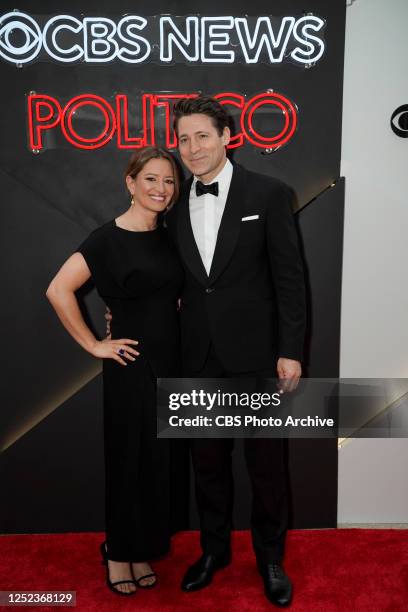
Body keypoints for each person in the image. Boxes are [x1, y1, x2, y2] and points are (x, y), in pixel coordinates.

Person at [166, 96, 306, 607]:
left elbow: (290, 279)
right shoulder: (174, 202)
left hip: (257, 356)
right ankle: (214, 550)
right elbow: (170, 279)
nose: (191, 148)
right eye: (182, 139)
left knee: (267, 466)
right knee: (207, 465)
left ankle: (270, 558)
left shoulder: (269, 193)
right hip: (196, 356)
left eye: (202, 135)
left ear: (228, 135)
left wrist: (290, 349)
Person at [46, 146, 188, 596]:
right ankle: (118, 551)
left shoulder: (171, 235)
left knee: (157, 463)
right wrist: (93, 344)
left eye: (168, 181)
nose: (160, 189)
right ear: (130, 183)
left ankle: (141, 546)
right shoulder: (105, 239)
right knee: (129, 460)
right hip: (131, 366)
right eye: (150, 179)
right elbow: (58, 290)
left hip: (171, 362)